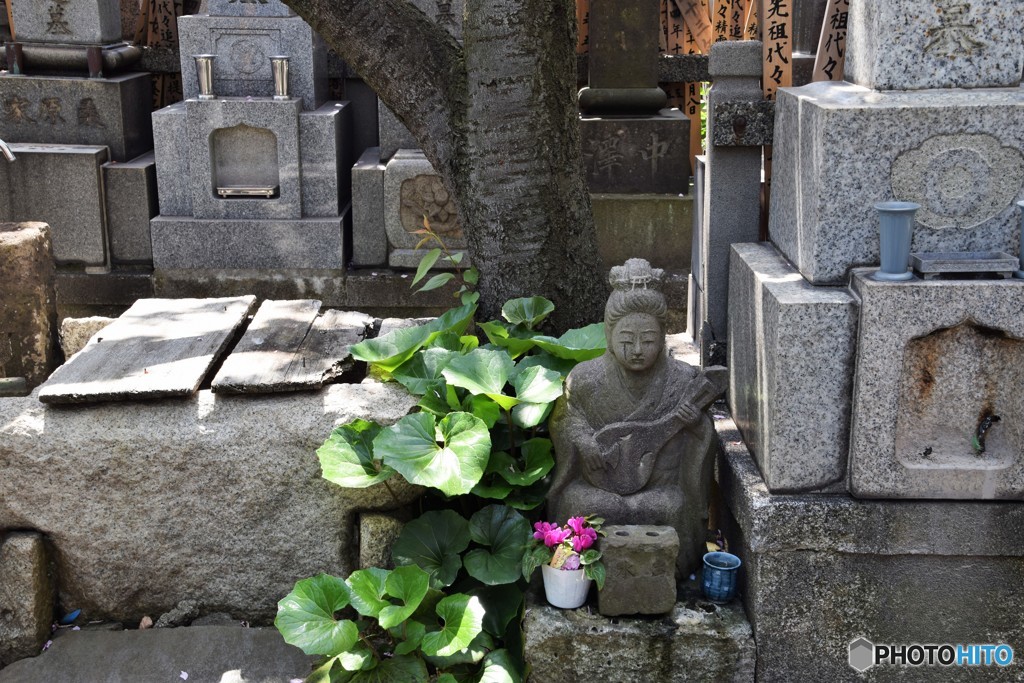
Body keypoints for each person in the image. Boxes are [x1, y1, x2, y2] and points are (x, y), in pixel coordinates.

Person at [547, 259, 720, 576]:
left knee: (673, 507)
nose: (637, 349)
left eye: (649, 340)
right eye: (627, 341)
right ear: (609, 334)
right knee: (579, 504)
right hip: (599, 489)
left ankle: (672, 576)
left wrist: (695, 425)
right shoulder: (585, 379)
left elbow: (703, 436)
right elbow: (566, 419)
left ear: (663, 337)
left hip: (659, 489)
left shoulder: (682, 381)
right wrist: (583, 442)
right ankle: (575, 576)